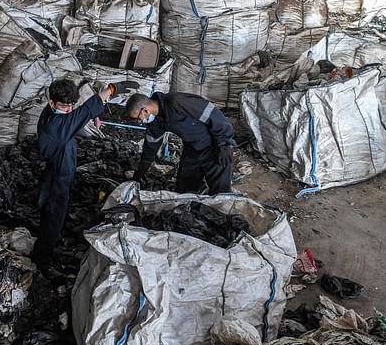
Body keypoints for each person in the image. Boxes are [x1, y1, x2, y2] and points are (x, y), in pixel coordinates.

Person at [31, 79, 115, 271]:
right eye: (64, 106)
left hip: (59, 169)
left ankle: (52, 241)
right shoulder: (55, 124)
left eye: (71, 106)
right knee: (53, 213)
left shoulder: (57, 114)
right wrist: (108, 91)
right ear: (51, 102)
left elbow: (80, 114)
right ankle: (41, 260)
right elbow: (84, 112)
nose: (68, 110)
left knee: (53, 211)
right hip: (57, 172)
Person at [125, 92, 235, 194]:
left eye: (138, 118)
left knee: (220, 191)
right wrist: (139, 173)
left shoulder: (176, 102)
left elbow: (214, 115)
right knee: (184, 188)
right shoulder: (155, 121)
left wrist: (225, 144)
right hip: (191, 149)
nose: (140, 122)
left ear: (145, 110)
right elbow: (151, 144)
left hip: (214, 146)